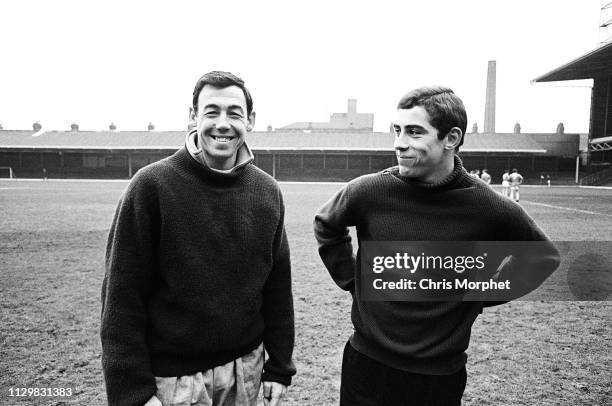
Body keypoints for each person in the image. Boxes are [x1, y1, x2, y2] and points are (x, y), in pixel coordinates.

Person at [314, 86, 559, 406]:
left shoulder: (486, 204)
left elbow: (543, 258)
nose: (400, 143)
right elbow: (326, 224)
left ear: (452, 138)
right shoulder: (370, 190)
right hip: (367, 364)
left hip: (438, 376)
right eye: (397, 131)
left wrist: (474, 295)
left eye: (415, 132)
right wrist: (354, 281)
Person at [101, 71, 295, 406]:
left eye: (234, 113)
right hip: (174, 381)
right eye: (211, 112)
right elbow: (122, 295)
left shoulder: (267, 191)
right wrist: (132, 392)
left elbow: (277, 287)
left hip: (245, 371)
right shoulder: (151, 186)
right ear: (193, 117)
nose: (223, 123)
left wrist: (279, 366)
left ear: (250, 120)